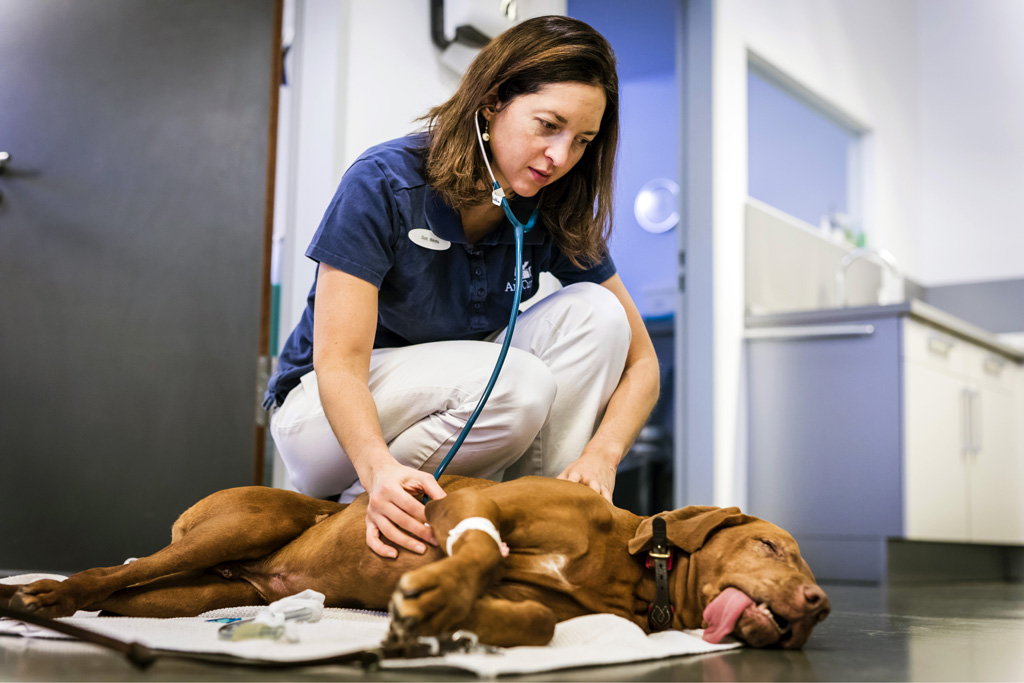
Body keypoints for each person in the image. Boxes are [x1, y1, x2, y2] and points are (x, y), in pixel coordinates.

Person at [264, 15, 660, 559]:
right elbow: (339, 364)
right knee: (518, 385)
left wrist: (602, 456)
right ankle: (362, 503)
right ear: (494, 102)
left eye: (582, 141)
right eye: (549, 125)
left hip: (457, 402)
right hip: (323, 421)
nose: (561, 158)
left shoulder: (553, 206)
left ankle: (539, 524)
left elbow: (642, 365)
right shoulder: (385, 182)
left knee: (598, 313)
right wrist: (378, 466)